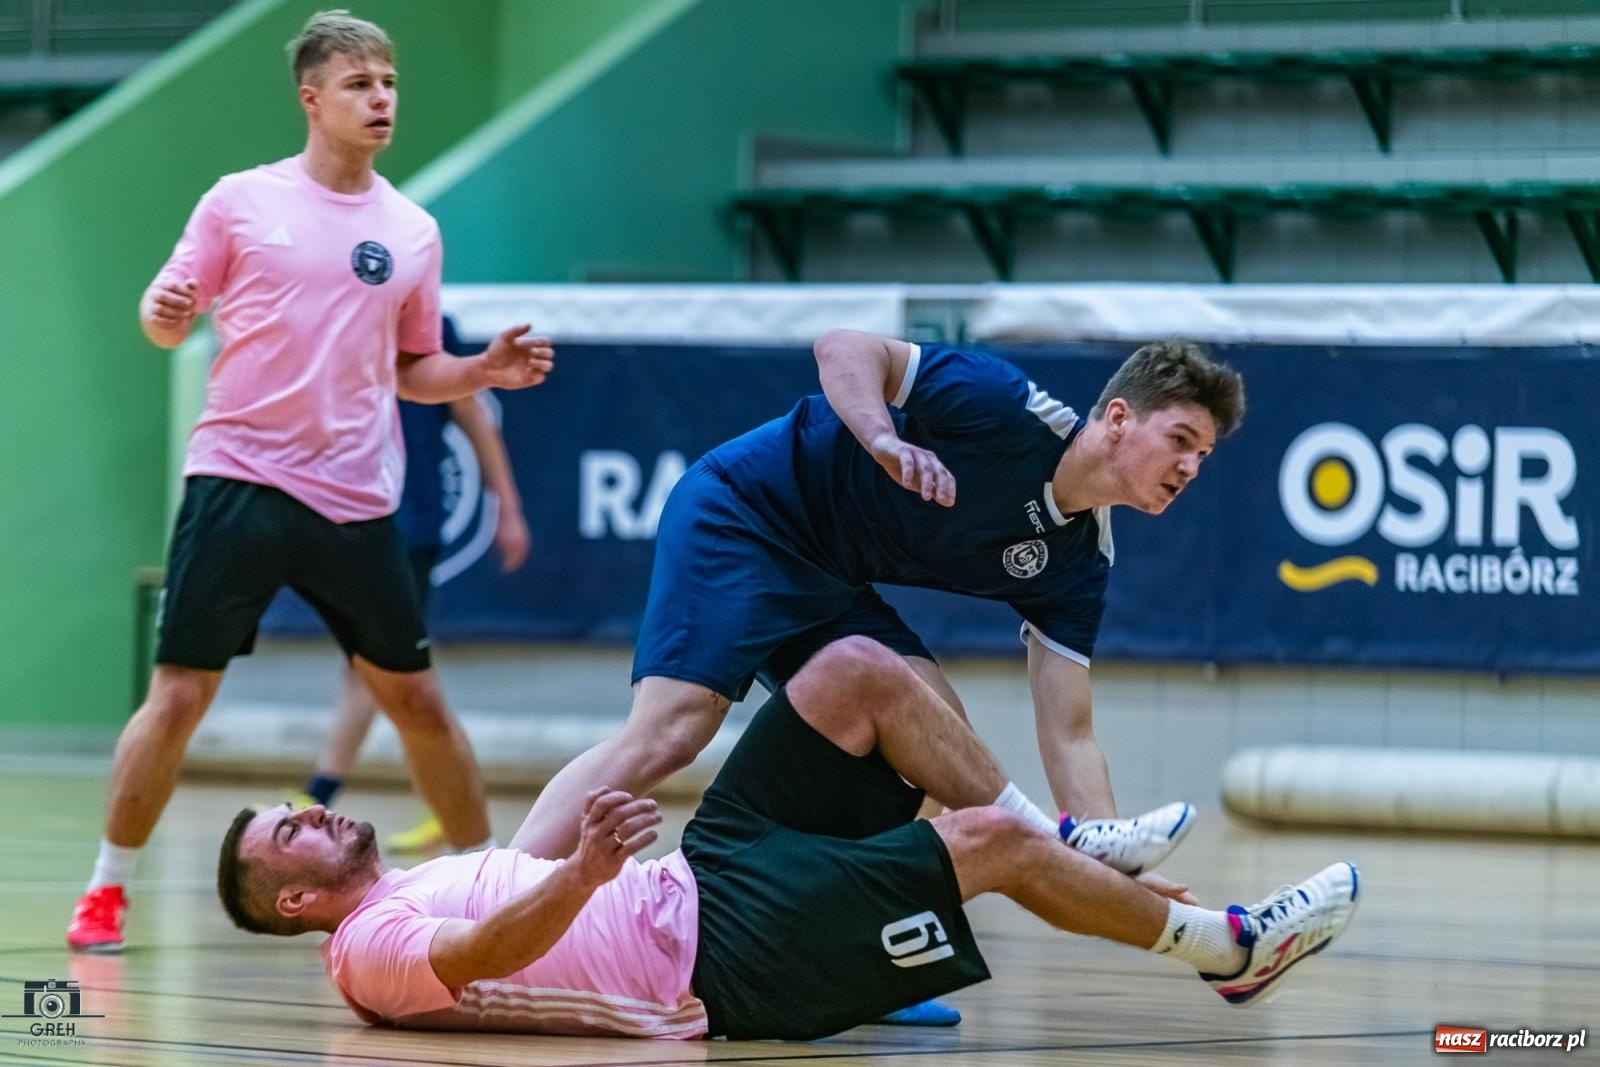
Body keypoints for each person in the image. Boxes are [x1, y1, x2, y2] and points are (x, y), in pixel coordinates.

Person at [215, 637, 1360, 1039]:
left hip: (704, 876)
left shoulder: (419, 873)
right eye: (288, 832)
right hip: (725, 961)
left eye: (296, 802)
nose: (310, 808)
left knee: (857, 673)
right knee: (983, 855)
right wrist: (582, 872)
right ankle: (1227, 948)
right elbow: (484, 957)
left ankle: (1070, 832)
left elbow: (553, 832)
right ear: (296, 904)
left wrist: (633, 758)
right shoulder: (364, 951)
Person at [68, 10, 554, 953]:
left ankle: (492, 882)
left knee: (416, 699)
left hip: (355, 496)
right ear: (312, 97)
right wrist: (161, 312)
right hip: (238, 478)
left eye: (390, 84)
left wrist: (480, 369)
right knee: (178, 694)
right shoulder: (239, 202)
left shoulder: (412, 229)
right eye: (360, 84)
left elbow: (417, 367)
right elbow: (166, 320)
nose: (382, 100)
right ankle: (106, 889)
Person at [514, 333, 1245, 871]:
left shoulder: (1082, 563)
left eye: (1204, 457)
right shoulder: (1002, 406)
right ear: (1118, 418)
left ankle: (843, 938)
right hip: (746, 513)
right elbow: (842, 347)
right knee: (671, 733)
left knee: (938, 744)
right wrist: (881, 437)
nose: (1189, 467)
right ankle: (490, 891)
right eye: (1180, 439)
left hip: (830, 577)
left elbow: (1071, 732)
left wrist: (1109, 853)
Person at [294, 319, 532, 854]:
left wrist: (508, 508)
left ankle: (332, 793)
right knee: (371, 669)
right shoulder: (338, 315)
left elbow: (472, 414)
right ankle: (429, 802)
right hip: (352, 518)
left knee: (392, 672)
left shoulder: (430, 326)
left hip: (408, 525)